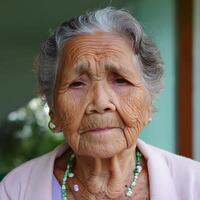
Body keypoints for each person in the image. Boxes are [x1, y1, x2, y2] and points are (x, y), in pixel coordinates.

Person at [0, 7, 200, 200]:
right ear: (54, 112)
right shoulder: (15, 190)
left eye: (120, 80)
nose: (100, 102)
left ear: (148, 104)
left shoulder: (193, 185)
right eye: (77, 84)